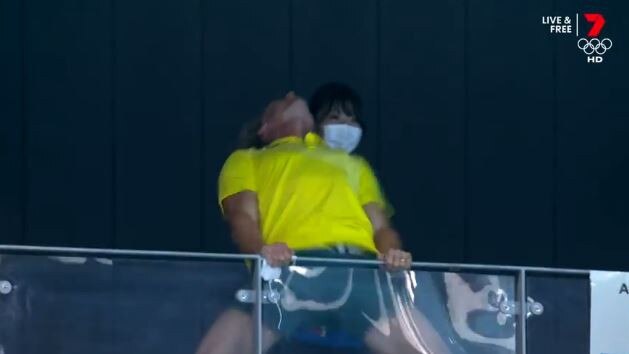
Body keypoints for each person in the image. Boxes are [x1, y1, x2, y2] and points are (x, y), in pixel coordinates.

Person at [196, 92, 449, 354]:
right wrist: (262, 252)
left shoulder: (352, 163)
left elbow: (381, 227)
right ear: (265, 127)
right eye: (282, 101)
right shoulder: (246, 159)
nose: (292, 95)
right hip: (286, 266)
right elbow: (242, 218)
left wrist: (391, 253)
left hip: (359, 269)